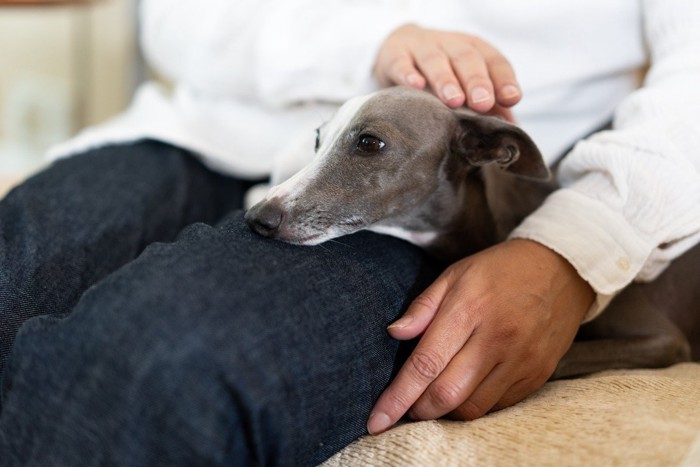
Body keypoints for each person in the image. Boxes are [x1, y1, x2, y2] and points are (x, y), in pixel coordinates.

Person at [0, 0, 698, 465]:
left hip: (426, 201)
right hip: (200, 130)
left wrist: (571, 246)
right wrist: (371, 47)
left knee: (155, 360)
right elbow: (176, 17)